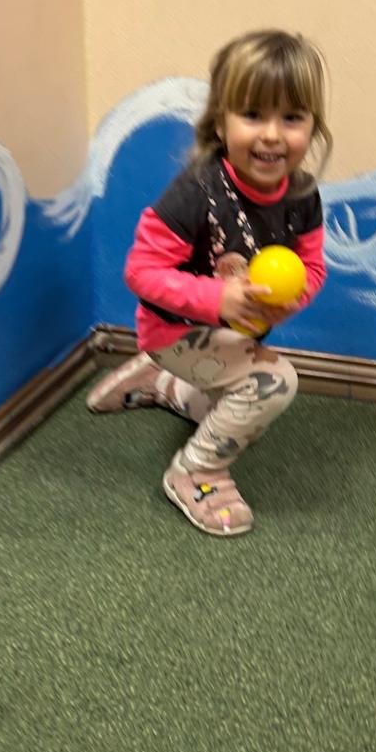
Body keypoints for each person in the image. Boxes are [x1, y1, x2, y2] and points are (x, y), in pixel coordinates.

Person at [86, 30, 330, 537]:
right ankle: (195, 472)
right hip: (172, 331)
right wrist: (219, 298)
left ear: (313, 127)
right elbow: (141, 272)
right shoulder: (197, 192)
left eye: (291, 118)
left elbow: (312, 267)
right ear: (220, 122)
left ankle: (163, 385)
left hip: (228, 334)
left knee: (239, 411)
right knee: (273, 383)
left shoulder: (303, 195)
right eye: (253, 115)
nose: (272, 135)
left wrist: (291, 300)